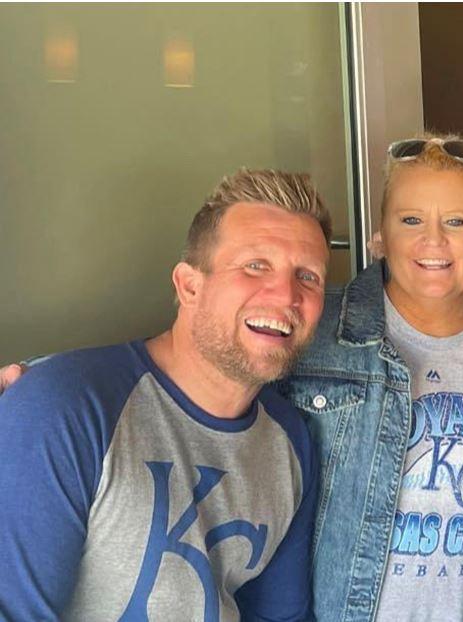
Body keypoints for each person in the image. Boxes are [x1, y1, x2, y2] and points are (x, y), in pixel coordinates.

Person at [0, 169, 327, 620]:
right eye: (256, 266)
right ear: (189, 286)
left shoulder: (291, 441)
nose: (287, 294)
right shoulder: (65, 407)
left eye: (308, 277)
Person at [275, 136, 463, 620]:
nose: (433, 241)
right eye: (411, 220)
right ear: (382, 232)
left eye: (457, 222)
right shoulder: (316, 335)